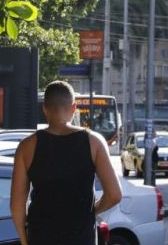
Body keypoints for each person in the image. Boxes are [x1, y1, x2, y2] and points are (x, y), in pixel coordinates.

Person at [11, 81, 121, 245]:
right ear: (74, 108)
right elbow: (114, 195)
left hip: (41, 237)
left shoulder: (26, 146)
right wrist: (91, 211)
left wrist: (24, 240)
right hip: (81, 238)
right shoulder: (94, 142)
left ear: (44, 108)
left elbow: (16, 205)